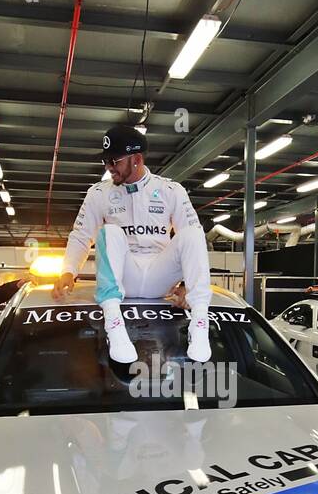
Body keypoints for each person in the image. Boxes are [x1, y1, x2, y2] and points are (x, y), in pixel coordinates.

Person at [53, 123, 212, 363]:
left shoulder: (171, 190)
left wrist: (187, 286)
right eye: (105, 161)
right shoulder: (98, 193)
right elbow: (81, 235)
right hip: (122, 279)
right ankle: (114, 326)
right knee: (109, 232)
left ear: (136, 159)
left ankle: (200, 323)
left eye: (114, 161)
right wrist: (68, 271)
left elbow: (191, 244)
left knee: (193, 233)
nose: (108, 168)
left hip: (160, 278)